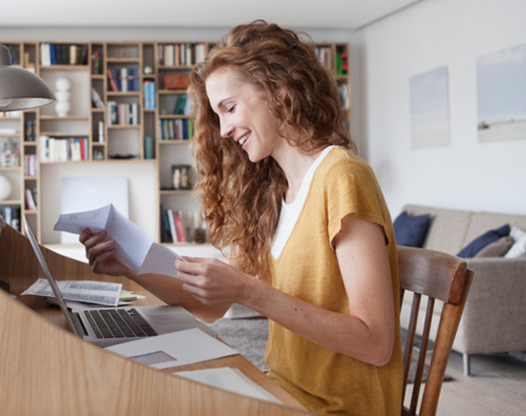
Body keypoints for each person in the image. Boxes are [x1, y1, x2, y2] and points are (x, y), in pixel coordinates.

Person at [80, 20, 402, 415]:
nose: (225, 129)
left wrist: (250, 291)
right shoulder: (275, 194)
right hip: (281, 389)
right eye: (218, 116)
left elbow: (375, 343)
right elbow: (212, 306)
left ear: (280, 90)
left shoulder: (343, 177)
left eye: (229, 109)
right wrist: (128, 266)